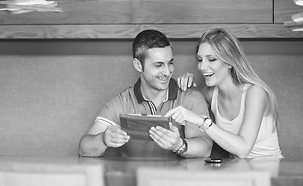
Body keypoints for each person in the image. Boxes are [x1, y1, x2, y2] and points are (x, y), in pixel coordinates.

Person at [78, 29, 212, 158]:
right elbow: (84, 148)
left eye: (170, 63)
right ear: (138, 65)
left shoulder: (190, 97)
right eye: (158, 65)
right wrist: (103, 139)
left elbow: (205, 147)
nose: (167, 72)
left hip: (177, 180)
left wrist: (178, 145)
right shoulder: (123, 101)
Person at [166, 28, 283, 158]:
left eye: (211, 59)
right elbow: (190, 103)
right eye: (200, 60)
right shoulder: (210, 94)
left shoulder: (255, 93)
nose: (202, 67)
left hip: (268, 172)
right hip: (236, 171)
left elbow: (243, 149)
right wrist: (188, 86)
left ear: (229, 62)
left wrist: (202, 122)